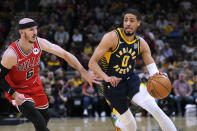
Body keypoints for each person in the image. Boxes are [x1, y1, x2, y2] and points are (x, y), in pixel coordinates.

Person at [0, 18, 99, 131]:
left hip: (35, 85)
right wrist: (14, 94)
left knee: (45, 117)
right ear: (22, 32)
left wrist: (84, 72)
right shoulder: (11, 54)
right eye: (31, 29)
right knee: (39, 120)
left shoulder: (39, 43)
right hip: (18, 90)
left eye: (36, 29)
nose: (35, 32)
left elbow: (65, 55)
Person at [89, 9, 177, 131]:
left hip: (131, 80)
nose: (128, 23)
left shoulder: (141, 43)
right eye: (126, 20)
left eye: (132, 20)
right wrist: (106, 77)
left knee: (155, 109)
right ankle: (117, 121)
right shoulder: (111, 37)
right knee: (131, 127)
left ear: (138, 23)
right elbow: (92, 63)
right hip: (111, 86)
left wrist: (156, 75)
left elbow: (150, 62)